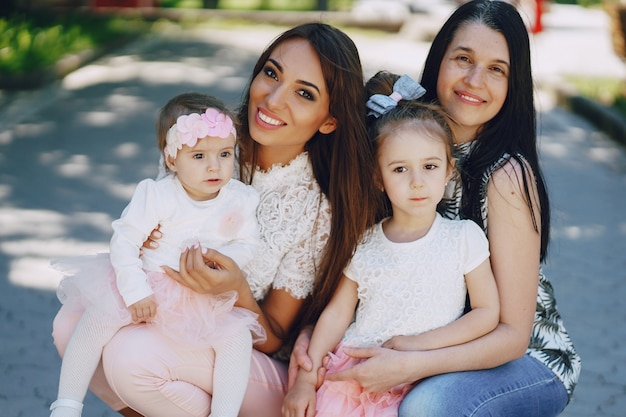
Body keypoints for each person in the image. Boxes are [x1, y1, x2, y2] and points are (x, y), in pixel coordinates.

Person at [51, 22, 380, 417]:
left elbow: (274, 338)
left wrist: (236, 288)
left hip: (253, 365)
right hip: (169, 315)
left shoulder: (314, 211)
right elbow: (154, 218)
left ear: (329, 120)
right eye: (271, 73)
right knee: (72, 325)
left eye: (304, 93)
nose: (273, 99)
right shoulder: (207, 140)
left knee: (131, 358)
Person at [289, 2, 581, 416]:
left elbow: (513, 335)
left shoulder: (506, 176)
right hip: (425, 341)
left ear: (513, 83)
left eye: (497, 68)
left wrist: (413, 365)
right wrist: (315, 338)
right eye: (463, 58)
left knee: (426, 406)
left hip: (525, 360)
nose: (475, 80)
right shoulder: (401, 140)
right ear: (438, 59)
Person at [282, 73, 500, 417]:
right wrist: (306, 381)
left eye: (429, 166)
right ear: (377, 178)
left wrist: (415, 348)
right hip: (354, 378)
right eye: (399, 169)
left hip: (420, 379)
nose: (417, 182)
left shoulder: (464, 238)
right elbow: (338, 313)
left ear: (448, 171)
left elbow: (487, 313)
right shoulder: (367, 241)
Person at [49, 93, 265, 417]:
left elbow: (249, 243)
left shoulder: (240, 198)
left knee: (236, 339)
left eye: (224, 154)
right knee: (96, 319)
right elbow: (124, 242)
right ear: (172, 159)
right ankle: (66, 404)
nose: (214, 165)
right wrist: (136, 290)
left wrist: (221, 257)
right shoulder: (158, 194)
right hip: (149, 281)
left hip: (200, 293)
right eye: (199, 156)